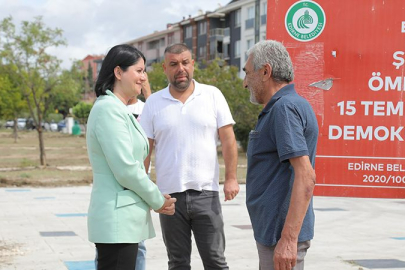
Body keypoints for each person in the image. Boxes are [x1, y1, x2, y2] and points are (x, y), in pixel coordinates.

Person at [140, 43, 239, 270]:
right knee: (178, 263)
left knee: (215, 261)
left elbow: (228, 140)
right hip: (168, 198)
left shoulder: (212, 95)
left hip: (206, 194)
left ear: (193, 64)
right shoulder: (154, 102)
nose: (180, 68)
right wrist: (145, 190)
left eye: (185, 62)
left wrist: (231, 178)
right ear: (165, 68)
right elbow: (144, 150)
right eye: (174, 64)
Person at [86, 44, 176, 270]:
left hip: (125, 220)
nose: (143, 78)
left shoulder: (120, 109)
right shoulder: (108, 110)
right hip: (116, 221)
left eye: (144, 71)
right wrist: (157, 200)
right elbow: (126, 169)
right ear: (118, 72)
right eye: (139, 70)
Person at [243, 40, 318, 270]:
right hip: (273, 235)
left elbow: (305, 176)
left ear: (266, 71)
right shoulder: (286, 105)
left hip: (279, 238)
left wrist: (288, 240)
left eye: (247, 73)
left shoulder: (284, 108)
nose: (245, 83)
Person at [127, 73, 151, 270]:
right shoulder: (112, 106)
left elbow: (158, 118)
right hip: (121, 175)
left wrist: (148, 92)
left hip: (141, 176)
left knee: (139, 240)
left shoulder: (145, 107)